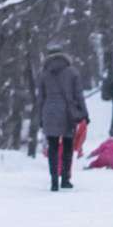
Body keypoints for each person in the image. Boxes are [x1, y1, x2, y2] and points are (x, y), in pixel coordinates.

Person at [37, 43, 89, 191]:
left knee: (52, 146)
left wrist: (40, 117)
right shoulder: (72, 72)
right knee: (68, 145)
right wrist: (84, 113)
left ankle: (54, 180)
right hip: (68, 112)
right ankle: (65, 178)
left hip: (49, 111)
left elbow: (40, 98)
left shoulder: (43, 74)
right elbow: (79, 95)